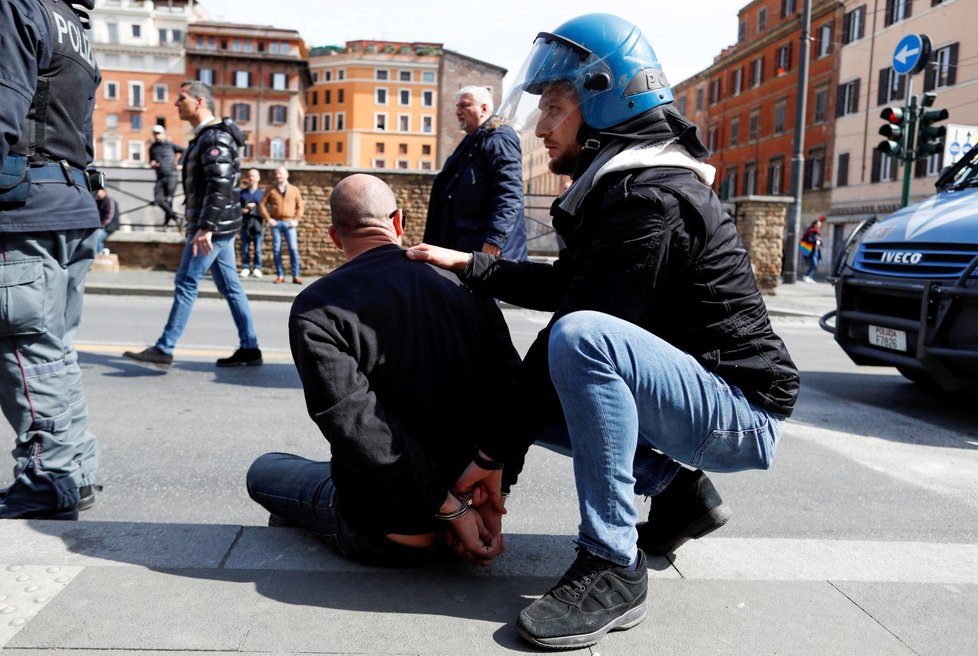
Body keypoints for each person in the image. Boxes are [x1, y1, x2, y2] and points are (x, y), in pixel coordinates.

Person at [407, 14, 800, 649]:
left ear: (606, 99)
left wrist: (489, 460)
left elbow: (578, 318)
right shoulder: (620, 189)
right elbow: (569, 285)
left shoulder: (652, 199)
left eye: (556, 108)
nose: (540, 126)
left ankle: (613, 562)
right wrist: (473, 265)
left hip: (741, 412)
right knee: (551, 366)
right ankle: (679, 497)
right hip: (698, 396)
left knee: (582, 341)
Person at [246, 173, 521, 566]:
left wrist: (448, 510)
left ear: (334, 237)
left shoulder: (316, 307)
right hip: (471, 497)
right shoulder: (465, 286)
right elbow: (512, 394)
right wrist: (493, 496)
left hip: (389, 531)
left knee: (264, 470)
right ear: (399, 222)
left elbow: (358, 427)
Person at [0, 0, 102, 519]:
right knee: (55, 351)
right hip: (72, 206)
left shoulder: (19, 8)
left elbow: (4, 106)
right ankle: (75, 471)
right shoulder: (76, 28)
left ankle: (48, 477)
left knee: (26, 351)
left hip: (25, 209)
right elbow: (81, 133)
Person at [123, 81, 262, 370]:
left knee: (186, 282)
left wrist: (206, 227)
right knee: (231, 287)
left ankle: (164, 348)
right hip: (218, 225)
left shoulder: (213, 138)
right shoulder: (205, 137)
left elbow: (220, 184)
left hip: (213, 227)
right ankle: (250, 347)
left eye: (181, 98)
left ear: (199, 102)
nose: (176, 103)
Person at [423, 85, 528, 260]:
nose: (458, 111)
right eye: (457, 106)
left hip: (486, 253)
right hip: (466, 247)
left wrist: (495, 238)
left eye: (464, 105)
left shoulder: (499, 138)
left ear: (484, 108)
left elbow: (509, 193)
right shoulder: (473, 140)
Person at [259, 165, 303, 284]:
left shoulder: (294, 189)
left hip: (290, 223)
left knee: (293, 249)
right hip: (276, 223)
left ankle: (296, 275)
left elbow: (300, 207)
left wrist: (296, 220)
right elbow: (262, 205)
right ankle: (280, 275)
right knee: (276, 250)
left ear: (286, 174)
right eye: (276, 173)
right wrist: (268, 219)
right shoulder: (271, 189)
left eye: (280, 173)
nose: (278, 176)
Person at [148, 124, 184, 227]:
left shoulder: (171, 145)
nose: (157, 136)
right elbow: (151, 161)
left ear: (163, 134)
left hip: (172, 175)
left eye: (158, 133)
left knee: (169, 200)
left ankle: (167, 223)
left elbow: (184, 150)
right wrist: (153, 164)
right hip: (160, 176)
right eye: (155, 134)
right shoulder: (152, 148)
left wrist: (180, 163)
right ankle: (176, 217)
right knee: (158, 199)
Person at [239, 168, 264, 278]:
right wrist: (243, 210)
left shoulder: (262, 194)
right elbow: (235, 208)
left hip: (258, 224)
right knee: (245, 247)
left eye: (253, 176)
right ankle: (245, 267)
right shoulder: (242, 193)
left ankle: (257, 268)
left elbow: (266, 209)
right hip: (245, 223)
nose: (251, 178)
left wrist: (255, 208)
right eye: (249, 176)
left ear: (258, 178)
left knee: (258, 248)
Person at [95, 187, 120, 254]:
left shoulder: (110, 201)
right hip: (100, 227)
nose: (96, 193)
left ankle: (99, 255)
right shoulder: (97, 201)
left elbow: (109, 216)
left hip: (109, 227)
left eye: (98, 191)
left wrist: (101, 226)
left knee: (97, 238)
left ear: (103, 191)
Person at [800, 216, 824, 283]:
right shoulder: (811, 231)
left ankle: (810, 277)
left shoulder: (817, 232)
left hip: (816, 250)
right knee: (814, 264)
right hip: (812, 250)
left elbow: (819, 240)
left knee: (815, 264)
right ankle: (807, 275)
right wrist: (816, 240)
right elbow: (809, 239)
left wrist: (820, 242)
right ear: (815, 225)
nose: (820, 225)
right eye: (819, 224)